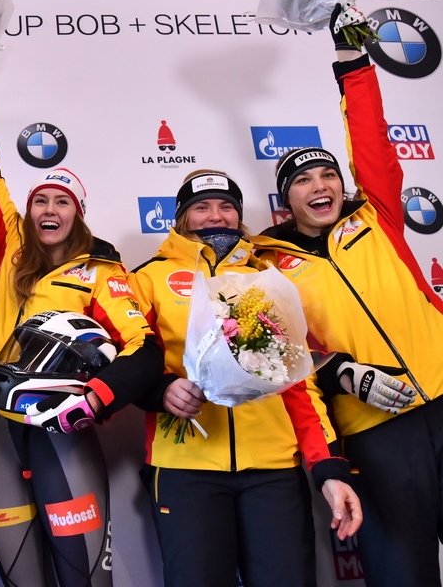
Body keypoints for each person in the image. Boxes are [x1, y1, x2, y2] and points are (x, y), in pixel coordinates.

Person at [251, 6, 443, 587]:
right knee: (403, 570)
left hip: (442, 396)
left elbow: (370, 135)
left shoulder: (377, 217)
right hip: (376, 428)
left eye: (327, 176)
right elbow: (283, 357)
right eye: (304, 181)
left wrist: (350, 58)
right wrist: (344, 376)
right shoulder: (267, 267)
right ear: (286, 201)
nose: (321, 186)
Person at [0, 61, 164, 586]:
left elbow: (144, 349)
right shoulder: (11, 250)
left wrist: (96, 397)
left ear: (78, 213)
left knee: (86, 577)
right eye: (41, 201)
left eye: (62, 202)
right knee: (20, 577)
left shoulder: (102, 271)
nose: (50, 209)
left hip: (60, 428)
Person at [128, 169, 362, 587]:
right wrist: (160, 390)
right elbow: (130, 361)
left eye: (226, 207)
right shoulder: (147, 278)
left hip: (273, 469)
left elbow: (299, 383)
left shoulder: (270, 278)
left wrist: (326, 468)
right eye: (201, 207)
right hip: (185, 468)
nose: (215, 216)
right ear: (182, 217)